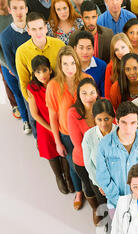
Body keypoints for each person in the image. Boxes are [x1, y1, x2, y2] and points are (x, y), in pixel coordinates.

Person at [46, 46, 90, 209]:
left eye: (72, 63)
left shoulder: (86, 79)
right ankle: (79, 191)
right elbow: (53, 117)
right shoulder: (53, 86)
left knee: (90, 164)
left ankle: (92, 190)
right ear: (60, 65)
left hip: (86, 133)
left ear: (77, 63)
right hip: (66, 134)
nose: (70, 68)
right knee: (74, 165)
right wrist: (58, 142)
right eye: (65, 64)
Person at [96, 101, 138, 214]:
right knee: (119, 229)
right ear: (117, 121)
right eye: (124, 122)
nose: (128, 128)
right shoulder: (104, 145)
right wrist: (119, 201)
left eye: (133, 123)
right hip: (116, 202)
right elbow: (103, 177)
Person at [27, 55, 71, 194]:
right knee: (51, 152)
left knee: (64, 151)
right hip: (45, 125)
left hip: (60, 123)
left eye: (44, 70)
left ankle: (68, 176)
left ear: (50, 70)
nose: (42, 75)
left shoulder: (57, 83)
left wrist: (58, 127)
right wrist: (51, 129)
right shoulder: (32, 87)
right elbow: (34, 114)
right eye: (38, 72)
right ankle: (59, 177)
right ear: (34, 74)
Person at [68, 77, 102, 225]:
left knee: (101, 187)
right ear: (78, 95)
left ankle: (104, 208)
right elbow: (77, 142)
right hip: (83, 159)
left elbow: (113, 131)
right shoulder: (73, 113)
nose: (88, 97)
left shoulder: (103, 106)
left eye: (92, 92)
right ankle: (95, 210)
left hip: (104, 158)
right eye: (84, 93)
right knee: (88, 186)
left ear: (97, 93)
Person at [82, 98, 116, 234]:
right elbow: (89, 164)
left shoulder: (120, 133)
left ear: (113, 118)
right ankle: (109, 231)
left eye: (107, 119)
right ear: (94, 119)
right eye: (99, 119)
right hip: (99, 183)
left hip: (118, 182)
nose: (103, 123)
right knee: (106, 209)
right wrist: (102, 185)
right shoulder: (89, 136)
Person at [16, 12, 65, 101]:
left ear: (46, 28)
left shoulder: (59, 45)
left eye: (40, 28)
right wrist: (34, 104)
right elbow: (24, 82)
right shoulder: (21, 52)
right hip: (37, 98)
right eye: (34, 29)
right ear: (28, 30)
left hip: (60, 95)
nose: (38, 32)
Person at [0, 0, 31, 133]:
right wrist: (11, 68)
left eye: (21, 8)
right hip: (8, 64)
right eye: (15, 8)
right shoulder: (5, 34)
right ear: (11, 9)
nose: (18, 12)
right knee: (18, 93)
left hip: (28, 67)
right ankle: (25, 120)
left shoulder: (29, 26)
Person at [104, 32, 138, 99]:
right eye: (116, 50)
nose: (120, 52)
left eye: (123, 47)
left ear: (129, 46)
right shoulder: (110, 67)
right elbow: (108, 96)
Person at [73, 30, 106, 96]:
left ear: (93, 49)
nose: (85, 52)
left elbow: (104, 93)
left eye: (88, 48)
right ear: (75, 49)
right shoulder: (70, 66)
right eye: (81, 48)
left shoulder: (102, 66)